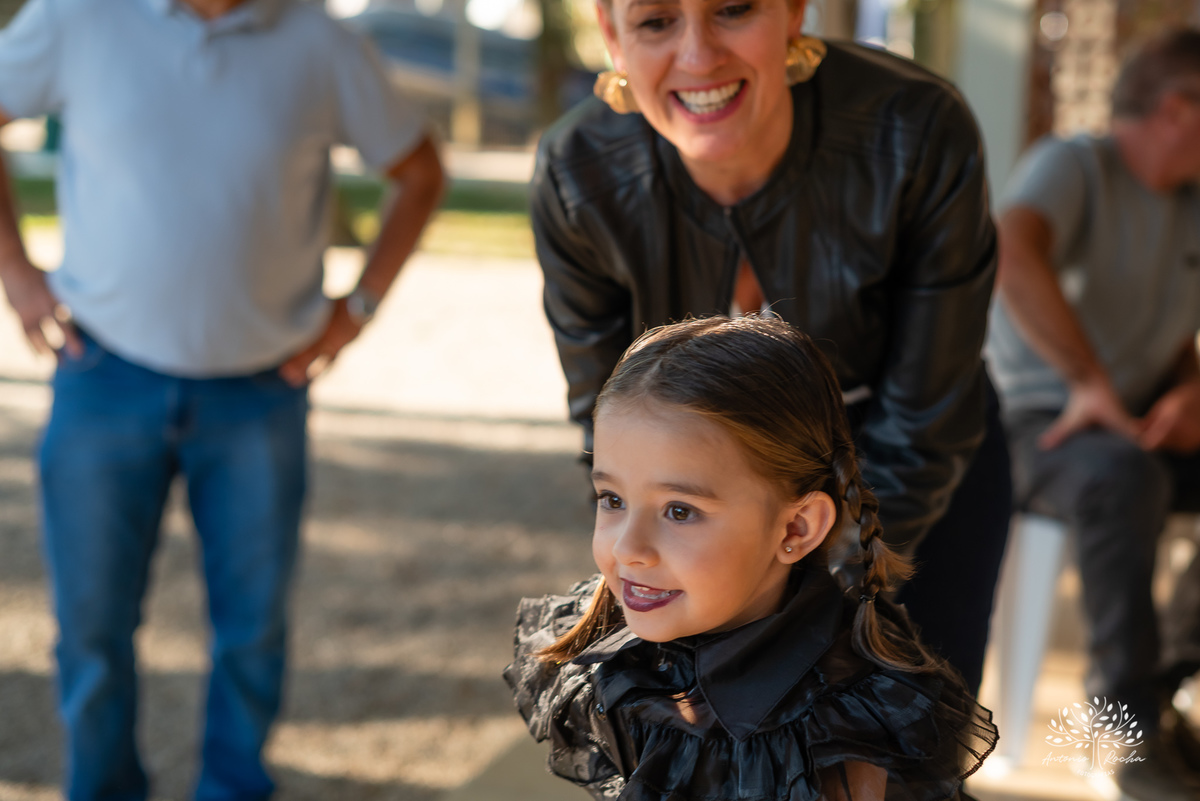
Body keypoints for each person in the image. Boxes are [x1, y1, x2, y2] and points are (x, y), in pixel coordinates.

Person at [0, 0, 444, 798]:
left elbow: (418, 170)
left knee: (252, 631)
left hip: (260, 393)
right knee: (92, 631)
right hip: (103, 374)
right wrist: (17, 275)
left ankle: (234, 788)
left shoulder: (321, 41)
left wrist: (357, 311)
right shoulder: (76, 17)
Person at [531, 0, 1009, 694]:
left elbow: (926, 417)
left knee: (899, 755)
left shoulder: (917, 129)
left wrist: (809, 602)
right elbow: (606, 429)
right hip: (696, 516)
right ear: (611, 33)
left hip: (915, 478)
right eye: (656, 21)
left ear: (792, 13)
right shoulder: (577, 175)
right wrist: (687, 567)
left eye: (732, 10)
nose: (698, 57)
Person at [505, 316, 998, 801]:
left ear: (796, 528)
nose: (627, 549)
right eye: (612, 500)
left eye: (680, 511)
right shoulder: (625, 658)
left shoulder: (844, 734)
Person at [986, 28, 1200, 801]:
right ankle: (1124, 734)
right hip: (1035, 423)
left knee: (1134, 465)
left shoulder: (1188, 206)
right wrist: (1088, 382)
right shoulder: (1073, 163)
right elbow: (1012, 250)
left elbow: (1180, 337)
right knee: (1123, 477)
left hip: (1131, 424)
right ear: (1178, 109)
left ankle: (1172, 689)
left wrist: (1190, 394)